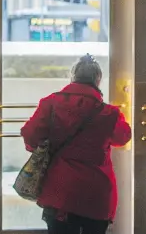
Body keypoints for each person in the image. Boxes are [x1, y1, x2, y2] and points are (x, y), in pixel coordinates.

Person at [21, 54, 132, 234]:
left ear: (73, 77)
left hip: (59, 190)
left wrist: (45, 148)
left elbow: (30, 135)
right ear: (98, 80)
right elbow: (123, 137)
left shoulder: (50, 103)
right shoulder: (109, 113)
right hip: (96, 193)